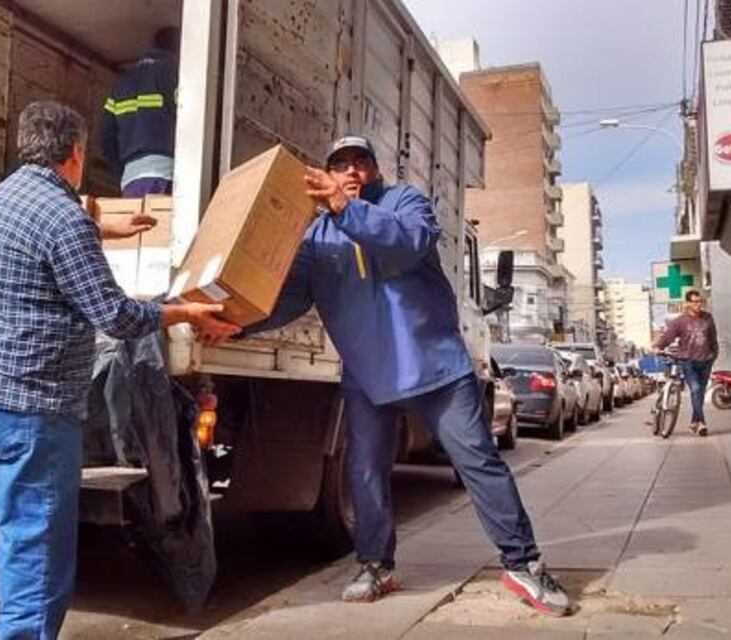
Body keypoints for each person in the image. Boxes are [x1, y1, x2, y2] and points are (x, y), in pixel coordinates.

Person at [0, 101, 239, 639]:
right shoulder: (63, 220)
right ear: (76, 152)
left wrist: (102, 228)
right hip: (29, 407)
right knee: (34, 552)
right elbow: (116, 315)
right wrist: (183, 310)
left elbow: (42, 242)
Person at [245, 135, 571, 615]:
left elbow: (407, 243)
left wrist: (343, 209)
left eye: (360, 163)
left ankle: (524, 563)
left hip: (435, 366)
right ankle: (376, 564)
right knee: (365, 471)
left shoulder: (405, 203)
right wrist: (234, 321)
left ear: (375, 171)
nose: (351, 172)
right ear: (329, 173)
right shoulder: (316, 238)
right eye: (340, 165)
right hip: (367, 373)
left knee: (478, 462)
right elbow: (291, 297)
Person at [101, 27, 179, 197]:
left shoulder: (121, 84)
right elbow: (191, 121)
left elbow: (106, 137)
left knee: (137, 223)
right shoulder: (175, 74)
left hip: (130, 180)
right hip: (164, 175)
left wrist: (120, 171)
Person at [651, 289, 719, 436]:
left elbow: (713, 338)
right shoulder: (680, 321)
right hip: (688, 361)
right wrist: (658, 346)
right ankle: (701, 422)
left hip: (706, 361)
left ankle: (695, 423)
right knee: (694, 389)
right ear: (688, 303)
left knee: (699, 394)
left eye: (700, 301)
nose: (698, 305)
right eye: (695, 302)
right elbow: (668, 336)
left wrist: (714, 355)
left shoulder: (708, 318)